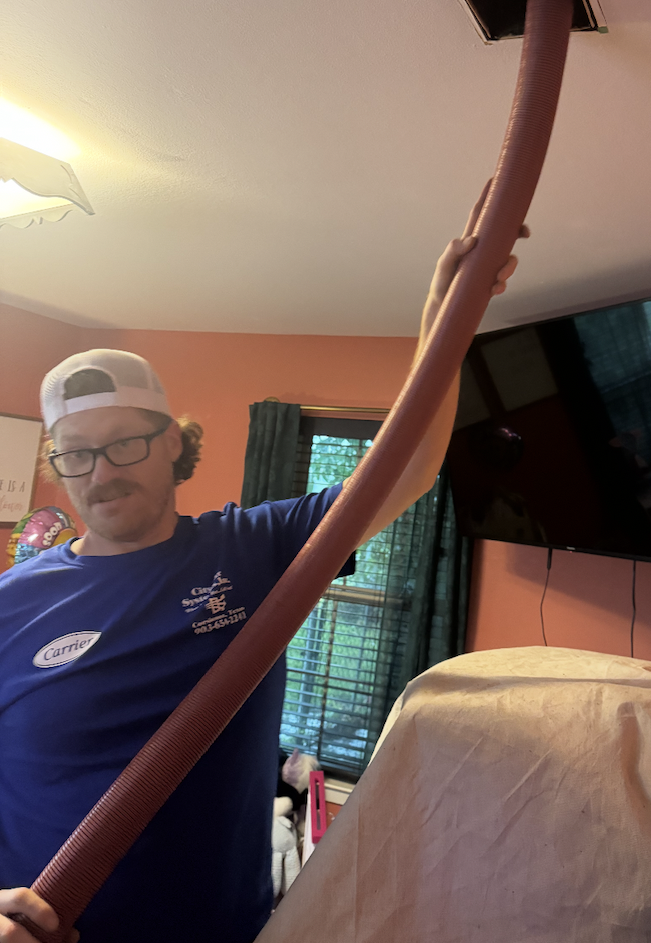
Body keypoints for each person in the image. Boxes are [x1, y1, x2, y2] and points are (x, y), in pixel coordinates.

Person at [0, 201, 527, 943]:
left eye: (124, 443)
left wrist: (445, 315)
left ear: (172, 442)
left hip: (219, 929)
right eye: (76, 454)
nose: (101, 472)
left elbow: (404, 468)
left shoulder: (252, 548)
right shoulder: (11, 603)